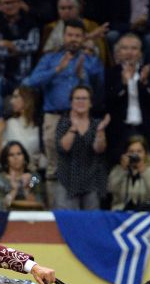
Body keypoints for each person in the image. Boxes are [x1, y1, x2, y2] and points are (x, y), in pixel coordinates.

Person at [24, 20, 105, 179]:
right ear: (63, 36)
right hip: (54, 116)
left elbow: (100, 88)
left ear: (83, 38)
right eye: (70, 35)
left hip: (81, 118)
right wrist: (57, 70)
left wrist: (83, 76)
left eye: (77, 36)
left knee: (82, 169)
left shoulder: (91, 60)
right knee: (54, 170)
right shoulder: (50, 58)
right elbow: (31, 82)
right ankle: (55, 204)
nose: (73, 39)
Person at [0, 0, 40, 119]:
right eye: (6, 3)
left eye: (13, 2)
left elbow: (33, 45)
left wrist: (9, 44)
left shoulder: (30, 21)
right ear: (0, 5)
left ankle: (24, 121)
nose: (10, 6)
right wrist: (17, 50)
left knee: (30, 84)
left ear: (20, 2)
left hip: (22, 75)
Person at [54, 85, 109, 210]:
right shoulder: (64, 122)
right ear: (71, 102)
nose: (80, 102)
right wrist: (74, 128)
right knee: (68, 221)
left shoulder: (96, 124)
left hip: (91, 180)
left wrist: (100, 132)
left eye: (84, 98)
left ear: (90, 103)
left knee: (91, 222)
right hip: (67, 180)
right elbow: (63, 148)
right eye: (77, 98)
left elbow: (99, 149)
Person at [104, 33, 150, 163]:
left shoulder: (149, 74)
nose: (129, 52)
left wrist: (143, 85)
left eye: (134, 48)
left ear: (140, 53)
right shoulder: (111, 73)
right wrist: (123, 85)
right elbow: (106, 104)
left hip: (144, 130)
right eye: (125, 48)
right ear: (118, 52)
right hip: (120, 131)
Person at [106, 134, 150, 211]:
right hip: (121, 213)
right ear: (125, 154)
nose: (135, 155)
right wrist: (122, 170)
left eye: (139, 151)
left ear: (145, 154)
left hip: (146, 213)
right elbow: (110, 189)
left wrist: (144, 172)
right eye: (131, 151)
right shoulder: (119, 169)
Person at [0, 86, 42, 170]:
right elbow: (1, 158)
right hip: (10, 174)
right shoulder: (8, 123)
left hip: (34, 173)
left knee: (35, 179)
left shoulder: (40, 125)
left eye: (16, 97)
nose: (11, 101)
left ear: (27, 99)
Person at [0, 141, 45, 210]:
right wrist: (14, 190)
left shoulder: (34, 178)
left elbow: (39, 207)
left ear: (24, 157)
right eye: (11, 155)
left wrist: (27, 189)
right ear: (6, 159)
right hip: (7, 219)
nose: (15, 157)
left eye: (19, 154)